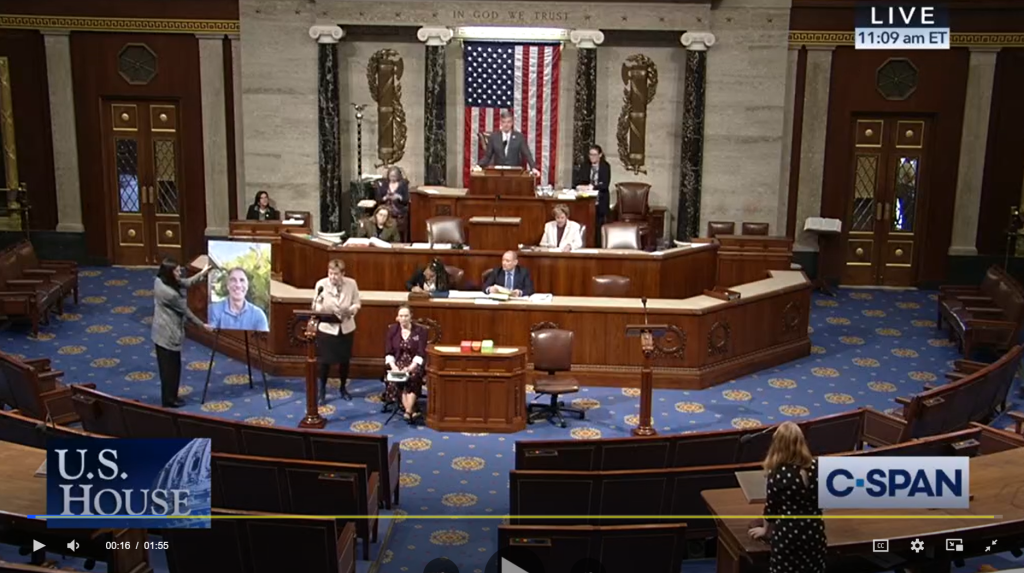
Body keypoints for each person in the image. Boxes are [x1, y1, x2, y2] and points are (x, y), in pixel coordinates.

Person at [747, 421, 827, 573]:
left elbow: (772, 508)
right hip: (814, 533)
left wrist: (765, 531)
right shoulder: (817, 467)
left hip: (788, 535)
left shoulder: (778, 473)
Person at [152, 258, 213, 408]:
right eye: (177, 271)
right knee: (170, 371)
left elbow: (185, 282)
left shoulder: (160, 281)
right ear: (169, 273)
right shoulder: (170, 294)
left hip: (160, 333)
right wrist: (203, 326)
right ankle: (169, 400)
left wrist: (203, 273)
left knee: (170, 369)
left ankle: (170, 396)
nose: (180, 273)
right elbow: (187, 313)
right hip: (168, 335)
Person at [311, 259, 360, 403]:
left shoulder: (351, 284)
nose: (333, 277)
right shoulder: (321, 285)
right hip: (327, 330)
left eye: (336, 274)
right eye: (330, 273)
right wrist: (320, 309)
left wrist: (351, 310)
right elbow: (316, 306)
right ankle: (322, 390)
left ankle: (343, 388)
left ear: (343, 274)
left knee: (344, 361)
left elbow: (357, 303)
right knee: (324, 362)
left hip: (346, 328)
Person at [383, 305, 428, 422]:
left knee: (413, 377)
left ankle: (407, 411)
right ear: (397, 317)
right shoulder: (393, 330)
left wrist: (410, 367)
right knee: (399, 379)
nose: (403, 318)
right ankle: (411, 410)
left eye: (406, 316)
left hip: (414, 363)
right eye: (401, 316)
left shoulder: (420, 331)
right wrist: (394, 367)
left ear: (411, 317)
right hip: (398, 363)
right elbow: (389, 351)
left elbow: (421, 353)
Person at [475, 110, 540, 177]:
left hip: (514, 173)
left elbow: (527, 154)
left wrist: (533, 168)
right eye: (504, 122)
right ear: (500, 123)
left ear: (512, 123)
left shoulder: (519, 137)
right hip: (498, 174)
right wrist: (478, 165)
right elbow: (487, 156)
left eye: (508, 122)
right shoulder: (494, 137)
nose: (506, 125)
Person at [207, 267, 269, 331]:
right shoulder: (213, 310)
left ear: (247, 286)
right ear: (228, 285)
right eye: (233, 280)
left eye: (242, 280)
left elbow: (264, 340)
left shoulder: (258, 315)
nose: (238, 285)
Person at [573, 145, 612, 232]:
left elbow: (605, 185)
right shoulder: (585, 166)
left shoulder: (605, 166)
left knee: (598, 224)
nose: (592, 157)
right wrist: (581, 186)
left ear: (600, 155)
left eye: (594, 155)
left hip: (601, 199)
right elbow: (578, 181)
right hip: (586, 199)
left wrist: (593, 187)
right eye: (590, 155)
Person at [375, 166, 410, 240]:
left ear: (398, 176)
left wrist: (399, 197)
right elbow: (379, 199)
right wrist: (385, 197)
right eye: (391, 176)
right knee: (383, 213)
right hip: (386, 209)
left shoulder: (403, 185)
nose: (392, 178)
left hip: (398, 210)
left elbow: (406, 200)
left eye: (394, 176)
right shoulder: (384, 184)